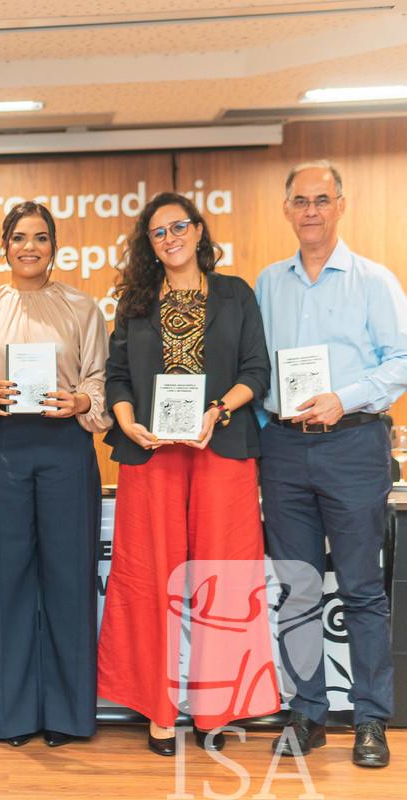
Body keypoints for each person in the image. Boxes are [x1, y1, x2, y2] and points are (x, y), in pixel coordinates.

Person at [97, 192, 280, 756]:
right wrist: (126, 422)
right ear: (148, 245)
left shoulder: (235, 294)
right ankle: (158, 708)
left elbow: (257, 369)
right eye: (158, 232)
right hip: (152, 455)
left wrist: (219, 409)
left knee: (221, 582)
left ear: (199, 231)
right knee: (149, 580)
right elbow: (118, 376)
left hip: (220, 448)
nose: (171, 237)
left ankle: (215, 707)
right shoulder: (135, 299)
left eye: (179, 226)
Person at [258, 161, 407, 769]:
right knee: (295, 588)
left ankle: (371, 719)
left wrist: (342, 399)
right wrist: (270, 422)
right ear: (287, 209)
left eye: (323, 199)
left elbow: (401, 362)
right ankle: (307, 712)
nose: (311, 210)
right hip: (286, 451)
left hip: (352, 444)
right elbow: (254, 367)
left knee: (362, 589)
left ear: (341, 206)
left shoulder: (374, 280)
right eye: (301, 200)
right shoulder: (268, 283)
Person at [0, 202, 110, 747]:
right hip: (4, 450)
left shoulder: (83, 307)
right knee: (8, 583)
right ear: (4, 247)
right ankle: (15, 716)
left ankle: (70, 716)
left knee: (70, 581)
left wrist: (80, 401)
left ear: (54, 247)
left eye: (40, 238)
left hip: (67, 448)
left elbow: (99, 380)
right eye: (19, 238)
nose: (30, 247)